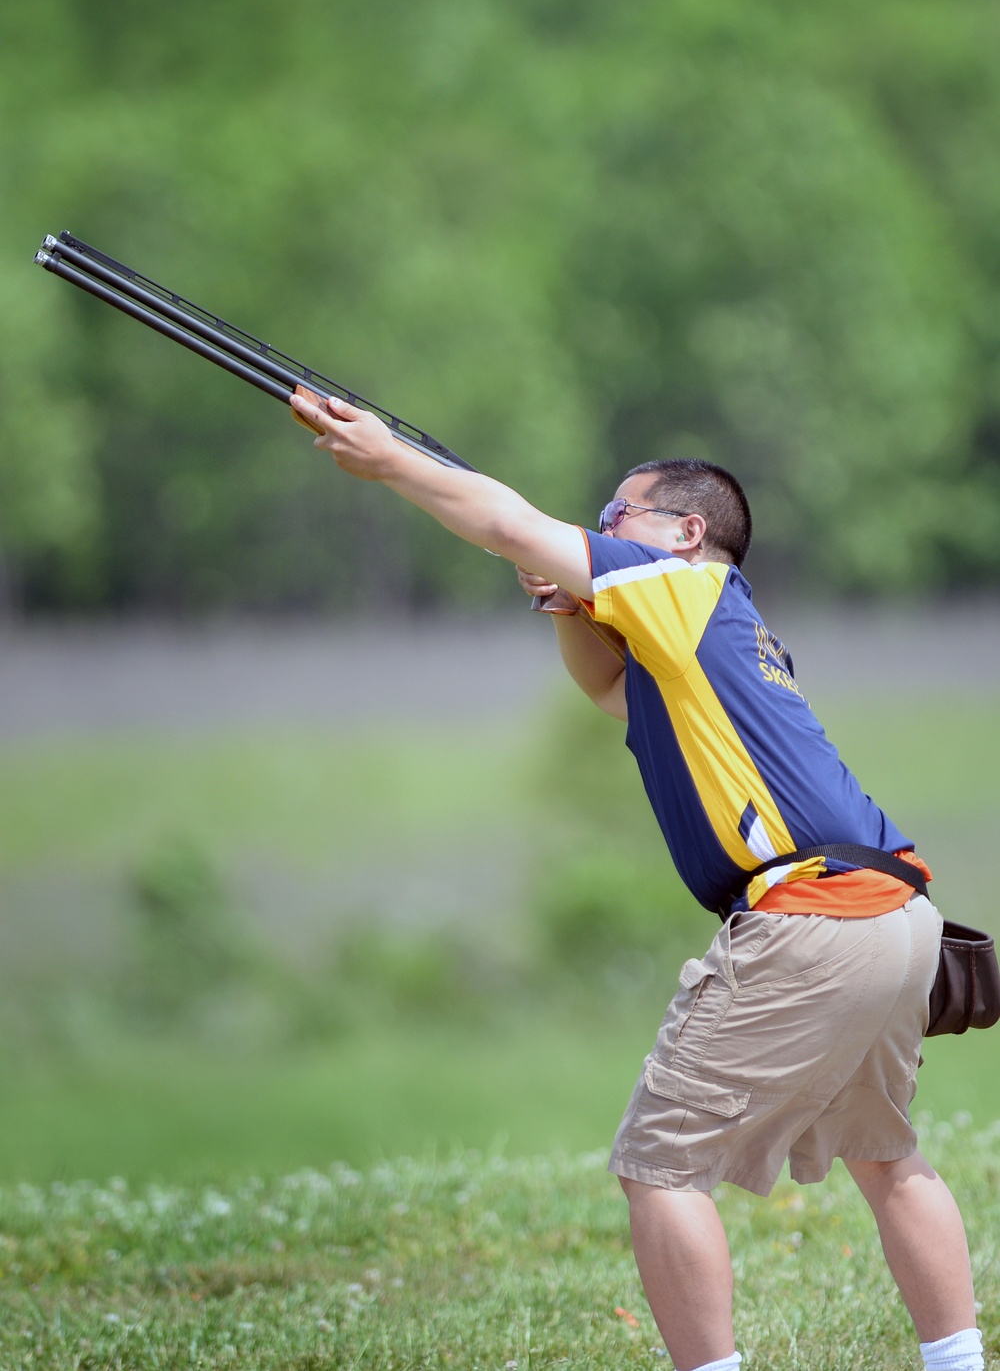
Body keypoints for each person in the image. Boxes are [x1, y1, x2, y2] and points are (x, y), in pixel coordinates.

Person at [291, 389, 982, 1371]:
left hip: (810, 915)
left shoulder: (681, 587)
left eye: (618, 516)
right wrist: (570, 604)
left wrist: (391, 459)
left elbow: (504, 520)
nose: (603, 529)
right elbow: (614, 693)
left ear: (684, 529)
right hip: (895, 914)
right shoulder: (719, 629)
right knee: (884, 1153)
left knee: (659, 1166)